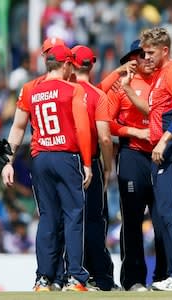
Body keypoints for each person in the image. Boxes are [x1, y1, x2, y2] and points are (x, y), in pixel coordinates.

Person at [1, 44, 92, 292]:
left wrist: (7, 161)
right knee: (73, 215)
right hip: (65, 156)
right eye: (70, 65)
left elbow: (18, 128)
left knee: (48, 218)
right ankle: (75, 277)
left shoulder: (32, 91)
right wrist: (87, 163)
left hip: (39, 158)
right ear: (64, 65)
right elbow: (82, 129)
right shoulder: (72, 90)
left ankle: (44, 279)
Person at [127, 27, 172, 291]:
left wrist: (165, 139)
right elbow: (153, 110)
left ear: (165, 50)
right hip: (164, 149)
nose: (147, 57)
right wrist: (129, 92)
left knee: (170, 212)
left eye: (151, 52)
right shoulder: (158, 77)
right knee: (165, 213)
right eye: (144, 52)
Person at [107, 39, 168, 291]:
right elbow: (107, 123)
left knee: (163, 219)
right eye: (138, 55)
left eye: (146, 54)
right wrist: (135, 131)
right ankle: (132, 279)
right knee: (132, 220)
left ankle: (164, 277)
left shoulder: (162, 82)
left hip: (160, 155)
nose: (144, 59)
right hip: (132, 155)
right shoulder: (119, 88)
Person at [70, 45, 115, 291]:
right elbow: (105, 138)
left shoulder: (64, 91)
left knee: (68, 220)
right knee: (95, 221)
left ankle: (68, 275)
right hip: (91, 162)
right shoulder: (98, 95)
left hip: (65, 158)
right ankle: (100, 277)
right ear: (92, 65)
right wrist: (108, 168)